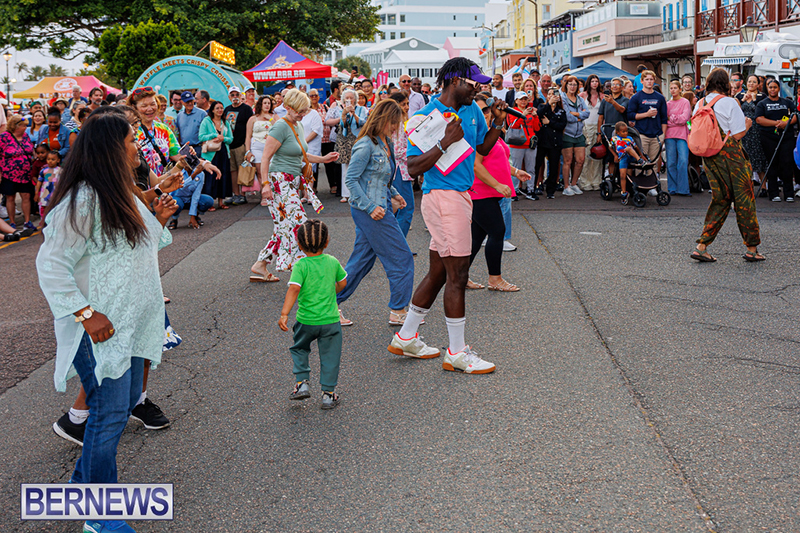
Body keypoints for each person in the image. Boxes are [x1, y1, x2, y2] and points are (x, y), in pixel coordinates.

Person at [37, 111, 178, 533]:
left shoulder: (121, 192)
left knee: (123, 400)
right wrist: (85, 313)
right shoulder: (81, 200)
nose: (137, 146)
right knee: (111, 412)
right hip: (100, 327)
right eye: (132, 139)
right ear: (112, 147)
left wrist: (162, 219)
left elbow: (133, 246)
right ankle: (100, 516)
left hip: (131, 320)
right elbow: (51, 264)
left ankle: (81, 487)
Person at [389, 57, 508, 374]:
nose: (478, 88)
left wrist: (497, 125)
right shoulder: (422, 118)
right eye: (473, 83)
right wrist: (444, 142)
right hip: (443, 198)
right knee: (459, 275)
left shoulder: (470, 110)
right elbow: (412, 168)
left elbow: (480, 148)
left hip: (460, 196)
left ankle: (406, 336)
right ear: (454, 81)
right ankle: (456, 352)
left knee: (440, 273)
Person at [335, 99, 413, 326]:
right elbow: (351, 179)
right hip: (371, 210)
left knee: (361, 261)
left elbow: (380, 177)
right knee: (401, 257)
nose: (396, 127)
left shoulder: (384, 142)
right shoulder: (366, 145)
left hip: (378, 206)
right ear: (383, 119)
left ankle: (328, 305)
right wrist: (371, 207)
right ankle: (398, 310)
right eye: (394, 122)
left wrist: (395, 193)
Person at [251, 89, 339, 282]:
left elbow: (300, 154)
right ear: (288, 108)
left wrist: (323, 159)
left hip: (290, 181)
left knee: (282, 226)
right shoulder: (280, 127)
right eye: (300, 110)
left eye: (305, 110)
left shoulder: (297, 124)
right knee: (298, 223)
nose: (303, 114)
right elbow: (265, 157)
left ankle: (261, 264)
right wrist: (265, 184)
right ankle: (302, 269)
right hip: (278, 181)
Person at [690, 68, 763, 262]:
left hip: (708, 154)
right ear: (725, 84)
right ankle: (751, 248)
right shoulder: (729, 102)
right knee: (744, 198)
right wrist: (747, 125)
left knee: (720, 198)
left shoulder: (699, 103)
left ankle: (702, 245)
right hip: (730, 155)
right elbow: (738, 134)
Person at [278, 219, 346, 410]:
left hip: (306, 320)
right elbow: (343, 283)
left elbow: (293, 289)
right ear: (327, 242)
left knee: (300, 348)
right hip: (330, 320)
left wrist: (284, 314)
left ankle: (302, 383)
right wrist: (333, 289)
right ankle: (328, 395)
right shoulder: (332, 262)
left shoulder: (301, 266)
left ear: (299, 244)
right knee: (330, 356)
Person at [470, 95, 529, 292]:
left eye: (487, 110)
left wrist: (515, 172)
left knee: (476, 238)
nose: (485, 114)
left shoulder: (491, 132)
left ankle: (460, 276)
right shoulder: (476, 134)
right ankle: (495, 279)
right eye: (480, 111)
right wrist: (496, 185)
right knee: (497, 231)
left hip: (489, 192)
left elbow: (500, 159)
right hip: (480, 191)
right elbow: (476, 166)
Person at [755, 78, 797, 202]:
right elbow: (758, 119)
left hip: (786, 137)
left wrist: (786, 123)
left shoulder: (787, 102)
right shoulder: (762, 103)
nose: (773, 89)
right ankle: (773, 193)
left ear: (779, 89)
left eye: (775, 87)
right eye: (770, 87)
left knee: (787, 163)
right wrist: (776, 123)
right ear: (767, 89)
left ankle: (789, 193)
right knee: (772, 164)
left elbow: (795, 115)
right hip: (768, 137)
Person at [129, 86, 181, 177]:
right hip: (140, 185)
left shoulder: (164, 129)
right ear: (134, 107)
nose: (150, 109)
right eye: (144, 106)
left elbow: (177, 155)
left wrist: (201, 163)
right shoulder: (130, 131)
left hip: (164, 185)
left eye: (153, 104)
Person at [627, 70, 667, 176]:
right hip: (641, 134)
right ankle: (641, 187)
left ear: (654, 81)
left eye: (651, 79)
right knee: (642, 162)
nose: (649, 82)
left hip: (656, 135)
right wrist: (646, 114)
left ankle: (652, 186)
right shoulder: (636, 97)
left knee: (653, 162)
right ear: (642, 81)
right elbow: (630, 115)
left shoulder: (660, 98)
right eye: (647, 79)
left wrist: (663, 135)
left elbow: (664, 118)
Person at [0, 115, 35, 230]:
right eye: (23, 125)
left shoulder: (25, 136)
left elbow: (30, 150)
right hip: (8, 173)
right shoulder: (4, 137)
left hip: (25, 173)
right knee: (10, 197)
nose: (25, 128)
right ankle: (12, 222)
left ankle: (27, 221)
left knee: (26, 195)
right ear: (15, 126)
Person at [388, 92, 415, 237]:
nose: (406, 107)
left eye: (407, 104)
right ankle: (398, 246)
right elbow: (397, 150)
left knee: (400, 209)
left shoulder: (401, 121)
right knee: (406, 208)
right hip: (399, 169)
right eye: (403, 104)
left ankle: (396, 246)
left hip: (401, 169)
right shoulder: (398, 123)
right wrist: (415, 153)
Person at [334, 88, 368, 203]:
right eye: (346, 98)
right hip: (345, 139)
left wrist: (354, 114)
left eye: (351, 98)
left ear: (355, 99)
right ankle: (345, 194)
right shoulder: (341, 110)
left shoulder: (362, 109)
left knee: (359, 166)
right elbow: (342, 125)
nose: (349, 100)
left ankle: (358, 193)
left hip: (358, 139)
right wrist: (344, 114)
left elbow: (363, 123)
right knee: (345, 167)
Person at [199, 100, 234, 210]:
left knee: (223, 175)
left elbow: (231, 139)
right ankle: (209, 202)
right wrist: (213, 135)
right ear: (213, 110)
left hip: (223, 151)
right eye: (217, 108)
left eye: (221, 108)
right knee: (210, 177)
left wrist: (223, 138)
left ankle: (221, 201)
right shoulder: (206, 121)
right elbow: (201, 137)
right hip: (210, 153)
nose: (220, 110)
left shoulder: (225, 122)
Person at [223, 87, 255, 206]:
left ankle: (242, 195)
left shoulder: (246, 109)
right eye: (232, 95)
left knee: (243, 170)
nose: (235, 97)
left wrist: (248, 146)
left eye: (237, 94)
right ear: (229, 97)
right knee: (233, 171)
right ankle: (235, 194)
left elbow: (250, 127)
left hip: (241, 144)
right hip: (229, 145)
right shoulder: (226, 109)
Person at [507, 90, 539, 201]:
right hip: (517, 144)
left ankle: (530, 190)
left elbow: (537, 128)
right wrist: (522, 115)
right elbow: (512, 126)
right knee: (516, 168)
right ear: (516, 101)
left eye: (525, 99)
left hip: (530, 144)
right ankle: (514, 190)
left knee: (531, 168)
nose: (523, 101)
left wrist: (535, 116)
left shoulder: (530, 111)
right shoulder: (512, 111)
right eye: (521, 99)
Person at [560, 75, 590, 196]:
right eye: (570, 84)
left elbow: (587, 113)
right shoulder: (562, 99)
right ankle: (566, 186)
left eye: (575, 84)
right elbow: (568, 117)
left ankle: (574, 183)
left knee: (580, 160)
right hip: (567, 133)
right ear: (566, 85)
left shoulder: (580, 99)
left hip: (579, 133)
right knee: (568, 160)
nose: (572, 87)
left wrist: (576, 114)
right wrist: (579, 115)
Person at [537, 88, 568, 199]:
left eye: (554, 94)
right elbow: (539, 115)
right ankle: (535, 186)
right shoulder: (542, 106)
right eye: (549, 94)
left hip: (555, 142)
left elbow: (562, 125)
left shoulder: (561, 111)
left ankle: (551, 190)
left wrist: (549, 122)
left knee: (554, 166)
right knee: (537, 164)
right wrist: (548, 105)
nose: (552, 96)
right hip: (543, 141)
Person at [736, 75, 767, 185]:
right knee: (744, 157)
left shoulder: (762, 97)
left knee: (758, 157)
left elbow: (763, 112)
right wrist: (743, 100)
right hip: (743, 129)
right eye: (749, 81)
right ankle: (745, 186)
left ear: (758, 84)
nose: (751, 84)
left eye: (754, 82)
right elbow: (735, 111)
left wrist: (754, 100)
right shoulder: (739, 95)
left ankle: (763, 186)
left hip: (757, 130)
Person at [598, 77, 630, 178]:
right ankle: (611, 181)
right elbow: (600, 117)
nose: (614, 86)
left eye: (617, 84)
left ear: (622, 87)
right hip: (608, 133)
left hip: (621, 135)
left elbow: (621, 109)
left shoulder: (625, 100)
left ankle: (623, 182)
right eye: (613, 85)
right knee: (610, 159)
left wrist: (612, 102)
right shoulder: (605, 100)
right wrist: (599, 133)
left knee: (622, 159)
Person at [577, 74, 604, 191]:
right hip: (585, 127)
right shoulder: (582, 96)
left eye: (596, 81)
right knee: (586, 155)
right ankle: (584, 181)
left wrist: (600, 132)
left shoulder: (602, 96)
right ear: (589, 82)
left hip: (598, 127)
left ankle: (596, 180)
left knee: (598, 155)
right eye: (592, 81)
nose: (594, 83)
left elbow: (603, 115)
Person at [245, 95, 276, 193]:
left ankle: (274, 192)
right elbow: (248, 136)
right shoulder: (253, 119)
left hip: (271, 147)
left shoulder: (275, 117)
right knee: (259, 172)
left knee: (272, 171)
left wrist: (270, 119)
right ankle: (264, 194)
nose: (267, 105)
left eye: (269, 103)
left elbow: (280, 129)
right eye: (265, 103)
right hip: (257, 147)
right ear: (260, 105)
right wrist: (248, 151)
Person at [665, 80, 691, 196]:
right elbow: (665, 120)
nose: (673, 90)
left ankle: (683, 188)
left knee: (683, 161)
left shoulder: (685, 102)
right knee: (671, 162)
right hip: (669, 135)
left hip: (682, 136)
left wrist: (672, 118)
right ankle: (672, 188)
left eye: (675, 88)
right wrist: (676, 120)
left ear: (680, 89)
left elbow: (685, 118)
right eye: (671, 88)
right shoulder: (667, 104)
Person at [612, 122, 645, 204]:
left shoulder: (630, 138)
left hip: (631, 156)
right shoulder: (614, 139)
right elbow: (610, 147)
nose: (626, 133)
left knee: (628, 149)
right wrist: (615, 155)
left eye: (626, 131)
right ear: (618, 132)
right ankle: (624, 192)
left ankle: (640, 161)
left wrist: (641, 155)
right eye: (623, 132)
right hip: (622, 158)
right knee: (623, 175)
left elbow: (636, 147)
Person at [301, 89, 324, 181]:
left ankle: (308, 194)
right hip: (298, 146)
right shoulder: (296, 114)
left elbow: (316, 130)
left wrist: (304, 141)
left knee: (309, 171)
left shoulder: (314, 114)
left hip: (311, 146)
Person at [34, 150, 61, 230]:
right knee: (44, 207)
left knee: (55, 207)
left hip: (55, 193)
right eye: (48, 159)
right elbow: (39, 182)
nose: (50, 161)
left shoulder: (60, 171)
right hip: (45, 193)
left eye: (53, 159)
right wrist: (36, 193)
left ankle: (54, 221)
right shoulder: (43, 171)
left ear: (58, 160)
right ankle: (44, 220)